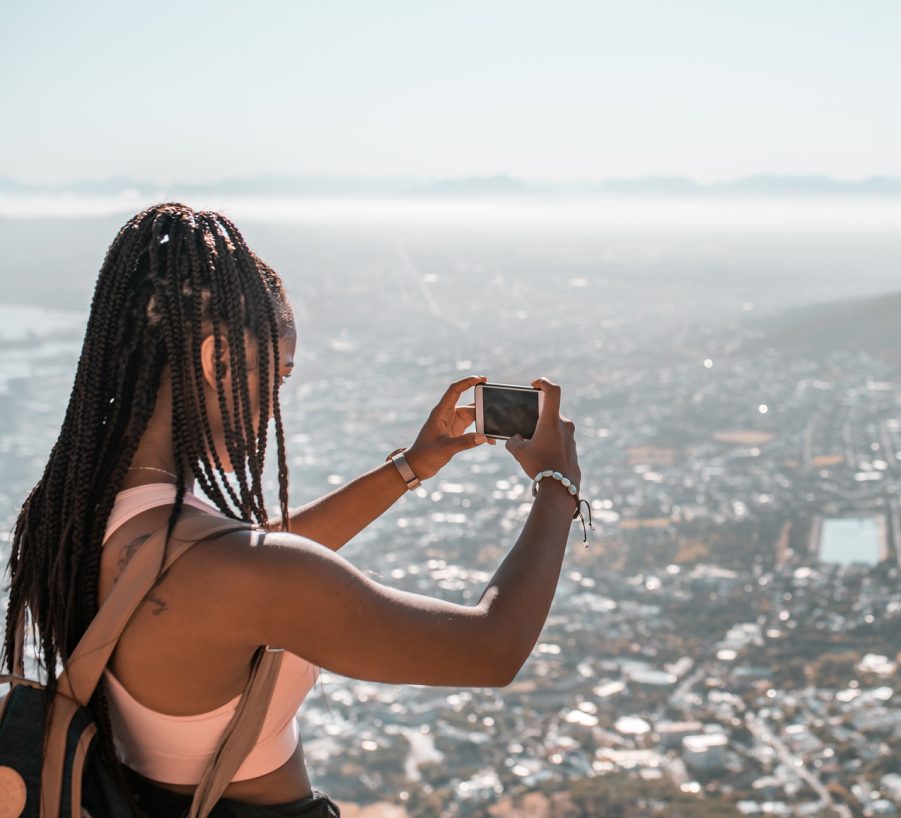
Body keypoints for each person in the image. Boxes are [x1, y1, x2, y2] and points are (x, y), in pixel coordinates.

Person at [2, 202, 584, 817]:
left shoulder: (71, 517)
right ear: (214, 361)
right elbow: (490, 650)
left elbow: (243, 563)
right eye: (275, 378)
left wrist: (410, 468)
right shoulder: (238, 576)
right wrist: (556, 483)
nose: (274, 407)